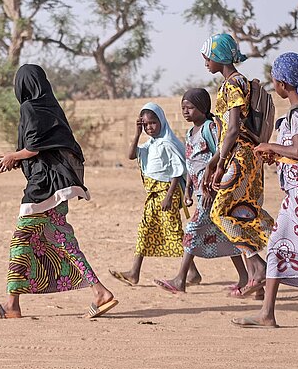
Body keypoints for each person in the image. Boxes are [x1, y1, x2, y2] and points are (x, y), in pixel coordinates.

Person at [0, 64, 118, 319]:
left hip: (43, 189)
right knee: (59, 240)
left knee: (22, 241)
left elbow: (33, 147)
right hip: (59, 185)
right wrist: (18, 160)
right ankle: (97, 292)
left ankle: (15, 305)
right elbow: (49, 147)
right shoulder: (52, 107)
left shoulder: (29, 107)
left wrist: (15, 155)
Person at [233, 52, 298, 327]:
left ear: (283, 83)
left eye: (275, 78)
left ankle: (266, 314)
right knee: (276, 251)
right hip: (294, 196)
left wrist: (270, 146)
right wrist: (276, 156)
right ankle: (267, 314)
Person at [153, 89, 248, 294]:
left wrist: (213, 186)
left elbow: (220, 154)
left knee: (193, 229)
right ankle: (245, 276)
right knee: (225, 232)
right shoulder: (189, 133)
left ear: (203, 109)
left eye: (190, 108)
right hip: (198, 191)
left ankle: (181, 279)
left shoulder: (209, 128)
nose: (186, 112)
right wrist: (187, 189)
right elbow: (190, 164)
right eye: (183, 108)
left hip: (211, 192)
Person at [201, 34, 274, 297]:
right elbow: (232, 133)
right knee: (246, 210)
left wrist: (220, 165)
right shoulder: (242, 82)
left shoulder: (231, 85)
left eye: (207, 55)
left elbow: (232, 130)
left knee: (219, 213)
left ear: (219, 56)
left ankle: (259, 264)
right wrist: (213, 162)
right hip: (249, 157)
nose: (205, 61)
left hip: (239, 158)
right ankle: (262, 271)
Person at [109, 102, 200, 286]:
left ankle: (192, 273)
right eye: (145, 124)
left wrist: (168, 196)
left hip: (167, 195)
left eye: (152, 123)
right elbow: (131, 155)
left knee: (174, 232)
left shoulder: (167, 143)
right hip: (152, 196)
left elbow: (177, 170)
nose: (149, 127)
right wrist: (136, 134)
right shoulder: (150, 145)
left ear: (161, 122)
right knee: (145, 230)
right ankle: (134, 272)